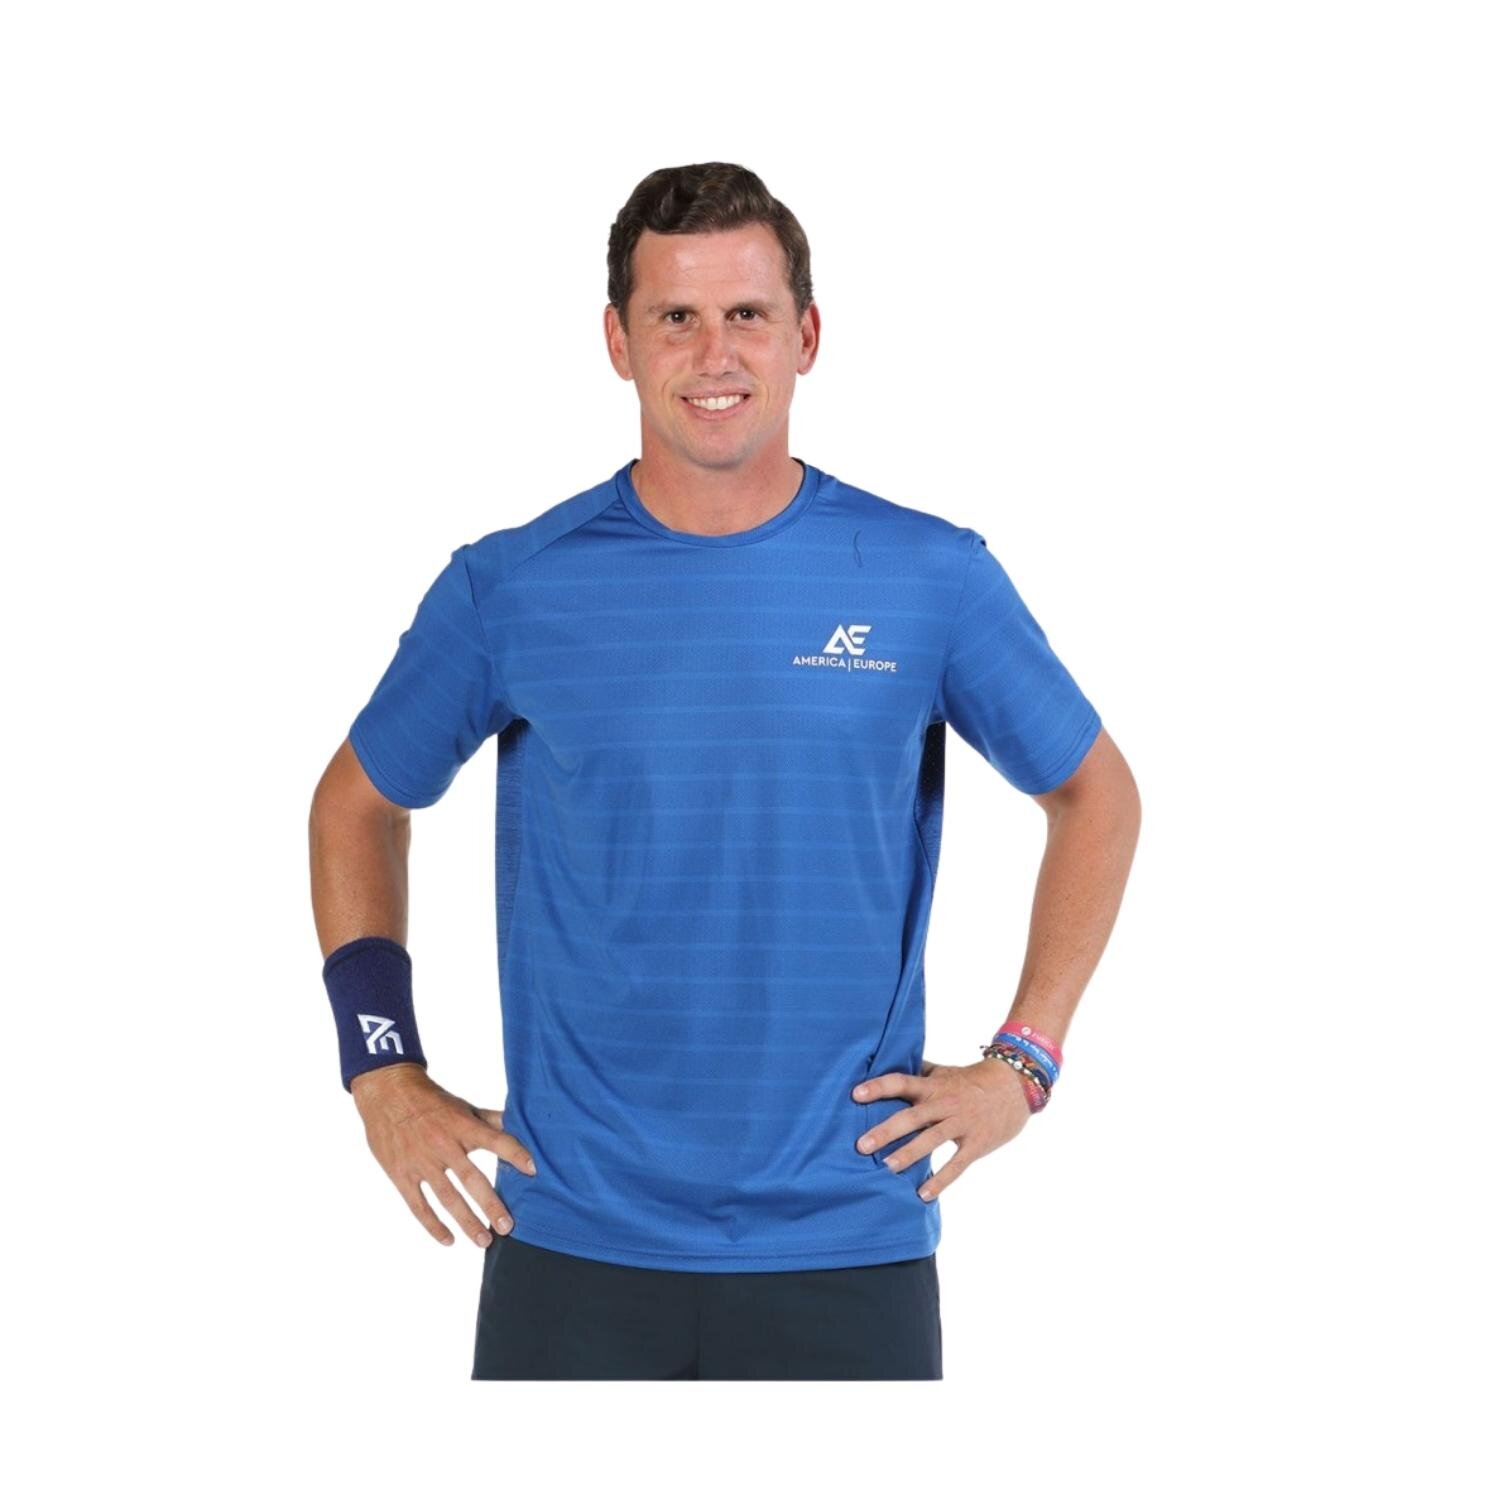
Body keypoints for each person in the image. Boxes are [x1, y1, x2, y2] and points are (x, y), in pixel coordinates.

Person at [308, 161, 1141, 1381]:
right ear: (618, 341)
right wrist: (380, 1067)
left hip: (848, 1240)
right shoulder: (512, 586)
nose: (715, 353)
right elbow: (357, 804)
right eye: (676, 317)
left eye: (747, 313)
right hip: (573, 1240)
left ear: (806, 336)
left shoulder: (930, 578)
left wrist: (1026, 1061)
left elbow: (1096, 794)